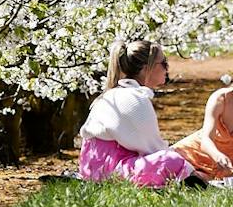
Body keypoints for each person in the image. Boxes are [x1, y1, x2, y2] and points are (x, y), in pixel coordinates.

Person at [77, 39, 195, 187]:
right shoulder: (133, 99)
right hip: (108, 172)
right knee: (171, 160)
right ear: (146, 69)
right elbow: (153, 148)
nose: (167, 69)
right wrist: (190, 170)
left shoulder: (117, 94)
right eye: (164, 63)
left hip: (94, 169)